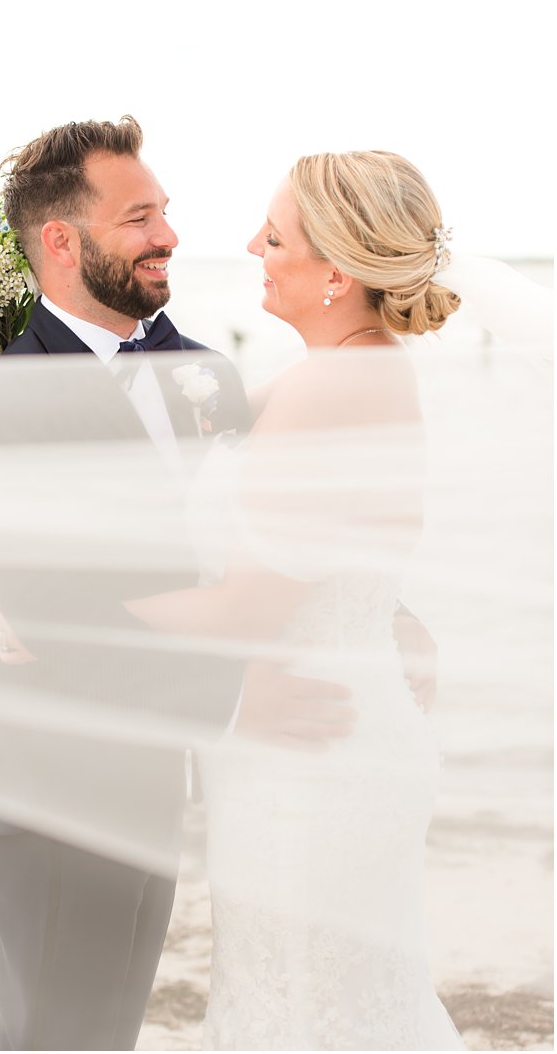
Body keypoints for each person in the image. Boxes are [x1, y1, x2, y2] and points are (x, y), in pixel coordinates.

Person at [0, 117, 364, 1050]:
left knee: (107, 1034)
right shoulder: (4, 406)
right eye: (139, 218)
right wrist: (233, 699)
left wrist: (379, 614)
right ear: (63, 241)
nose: (168, 234)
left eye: (164, 211)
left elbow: (287, 524)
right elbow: (59, 614)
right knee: (51, 1034)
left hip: (148, 776)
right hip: (45, 780)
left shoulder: (207, 377)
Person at [125, 151, 465, 1048]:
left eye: (274, 238)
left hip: (309, 755)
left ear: (339, 273)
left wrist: (74, 609)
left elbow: (244, 611)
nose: (250, 247)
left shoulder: (328, 387)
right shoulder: (360, 366)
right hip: (334, 731)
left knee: (313, 1010)